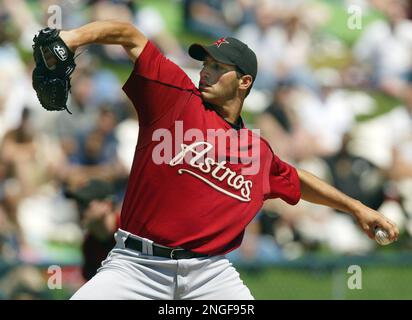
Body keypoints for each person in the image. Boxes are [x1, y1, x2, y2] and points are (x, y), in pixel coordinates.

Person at [56, 20, 399, 300]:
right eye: (205, 64)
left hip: (209, 276)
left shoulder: (256, 152)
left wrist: (356, 208)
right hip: (136, 267)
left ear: (244, 81)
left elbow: (295, 179)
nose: (205, 72)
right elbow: (128, 36)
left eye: (218, 67)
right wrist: (70, 38)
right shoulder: (176, 100)